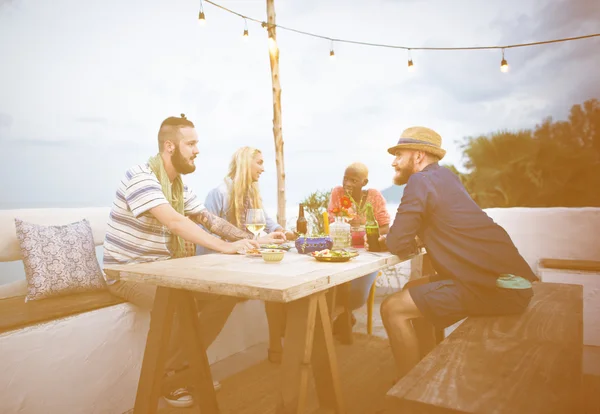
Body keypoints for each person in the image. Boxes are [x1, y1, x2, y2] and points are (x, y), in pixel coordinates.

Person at [103, 114, 261, 408]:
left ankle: (186, 370)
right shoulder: (141, 177)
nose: (197, 150)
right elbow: (175, 222)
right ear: (169, 146)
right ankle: (171, 376)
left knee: (227, 294)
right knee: (179, 304)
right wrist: (225, 248)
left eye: (196, 143)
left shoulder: (178, 186)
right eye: (190, 144)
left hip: (162, 270)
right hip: (127, 273)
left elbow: (207, 219)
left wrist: (249, 240)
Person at [368, 126, 538, 378]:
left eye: (399, 155)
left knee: (392, 308)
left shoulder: (420, 181)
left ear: (417, 156)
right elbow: (434, 225)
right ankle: (424, 371)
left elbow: (396, 242)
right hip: (501, 279)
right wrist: (407, 237)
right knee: (410, 289)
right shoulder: (446, 177)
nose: (394, 162)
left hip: (499, 286)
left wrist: (397, 239)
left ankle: (407, 394)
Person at [199, 146, 294, 362]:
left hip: (243, 263)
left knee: (277, 281)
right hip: (220, 266)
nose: (263, 168)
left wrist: (281, 231)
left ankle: (277, 345)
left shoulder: (252, 193)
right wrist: (250, 244)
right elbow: (206, 241)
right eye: (259, 162)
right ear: (245, 163)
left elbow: (266, 222)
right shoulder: (218, 194)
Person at [327, 162, 390, 341]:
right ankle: (342, 319)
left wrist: (365, 231)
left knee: (356, 295)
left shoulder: (374, 196)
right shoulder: (337, 193)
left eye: (353, 180)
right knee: (332, 286)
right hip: (342, 251)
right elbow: (333, 221)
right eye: (345, 178)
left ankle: (344, 317)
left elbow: (385, 226)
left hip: (368, 253)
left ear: (364, 182)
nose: (347, 183)